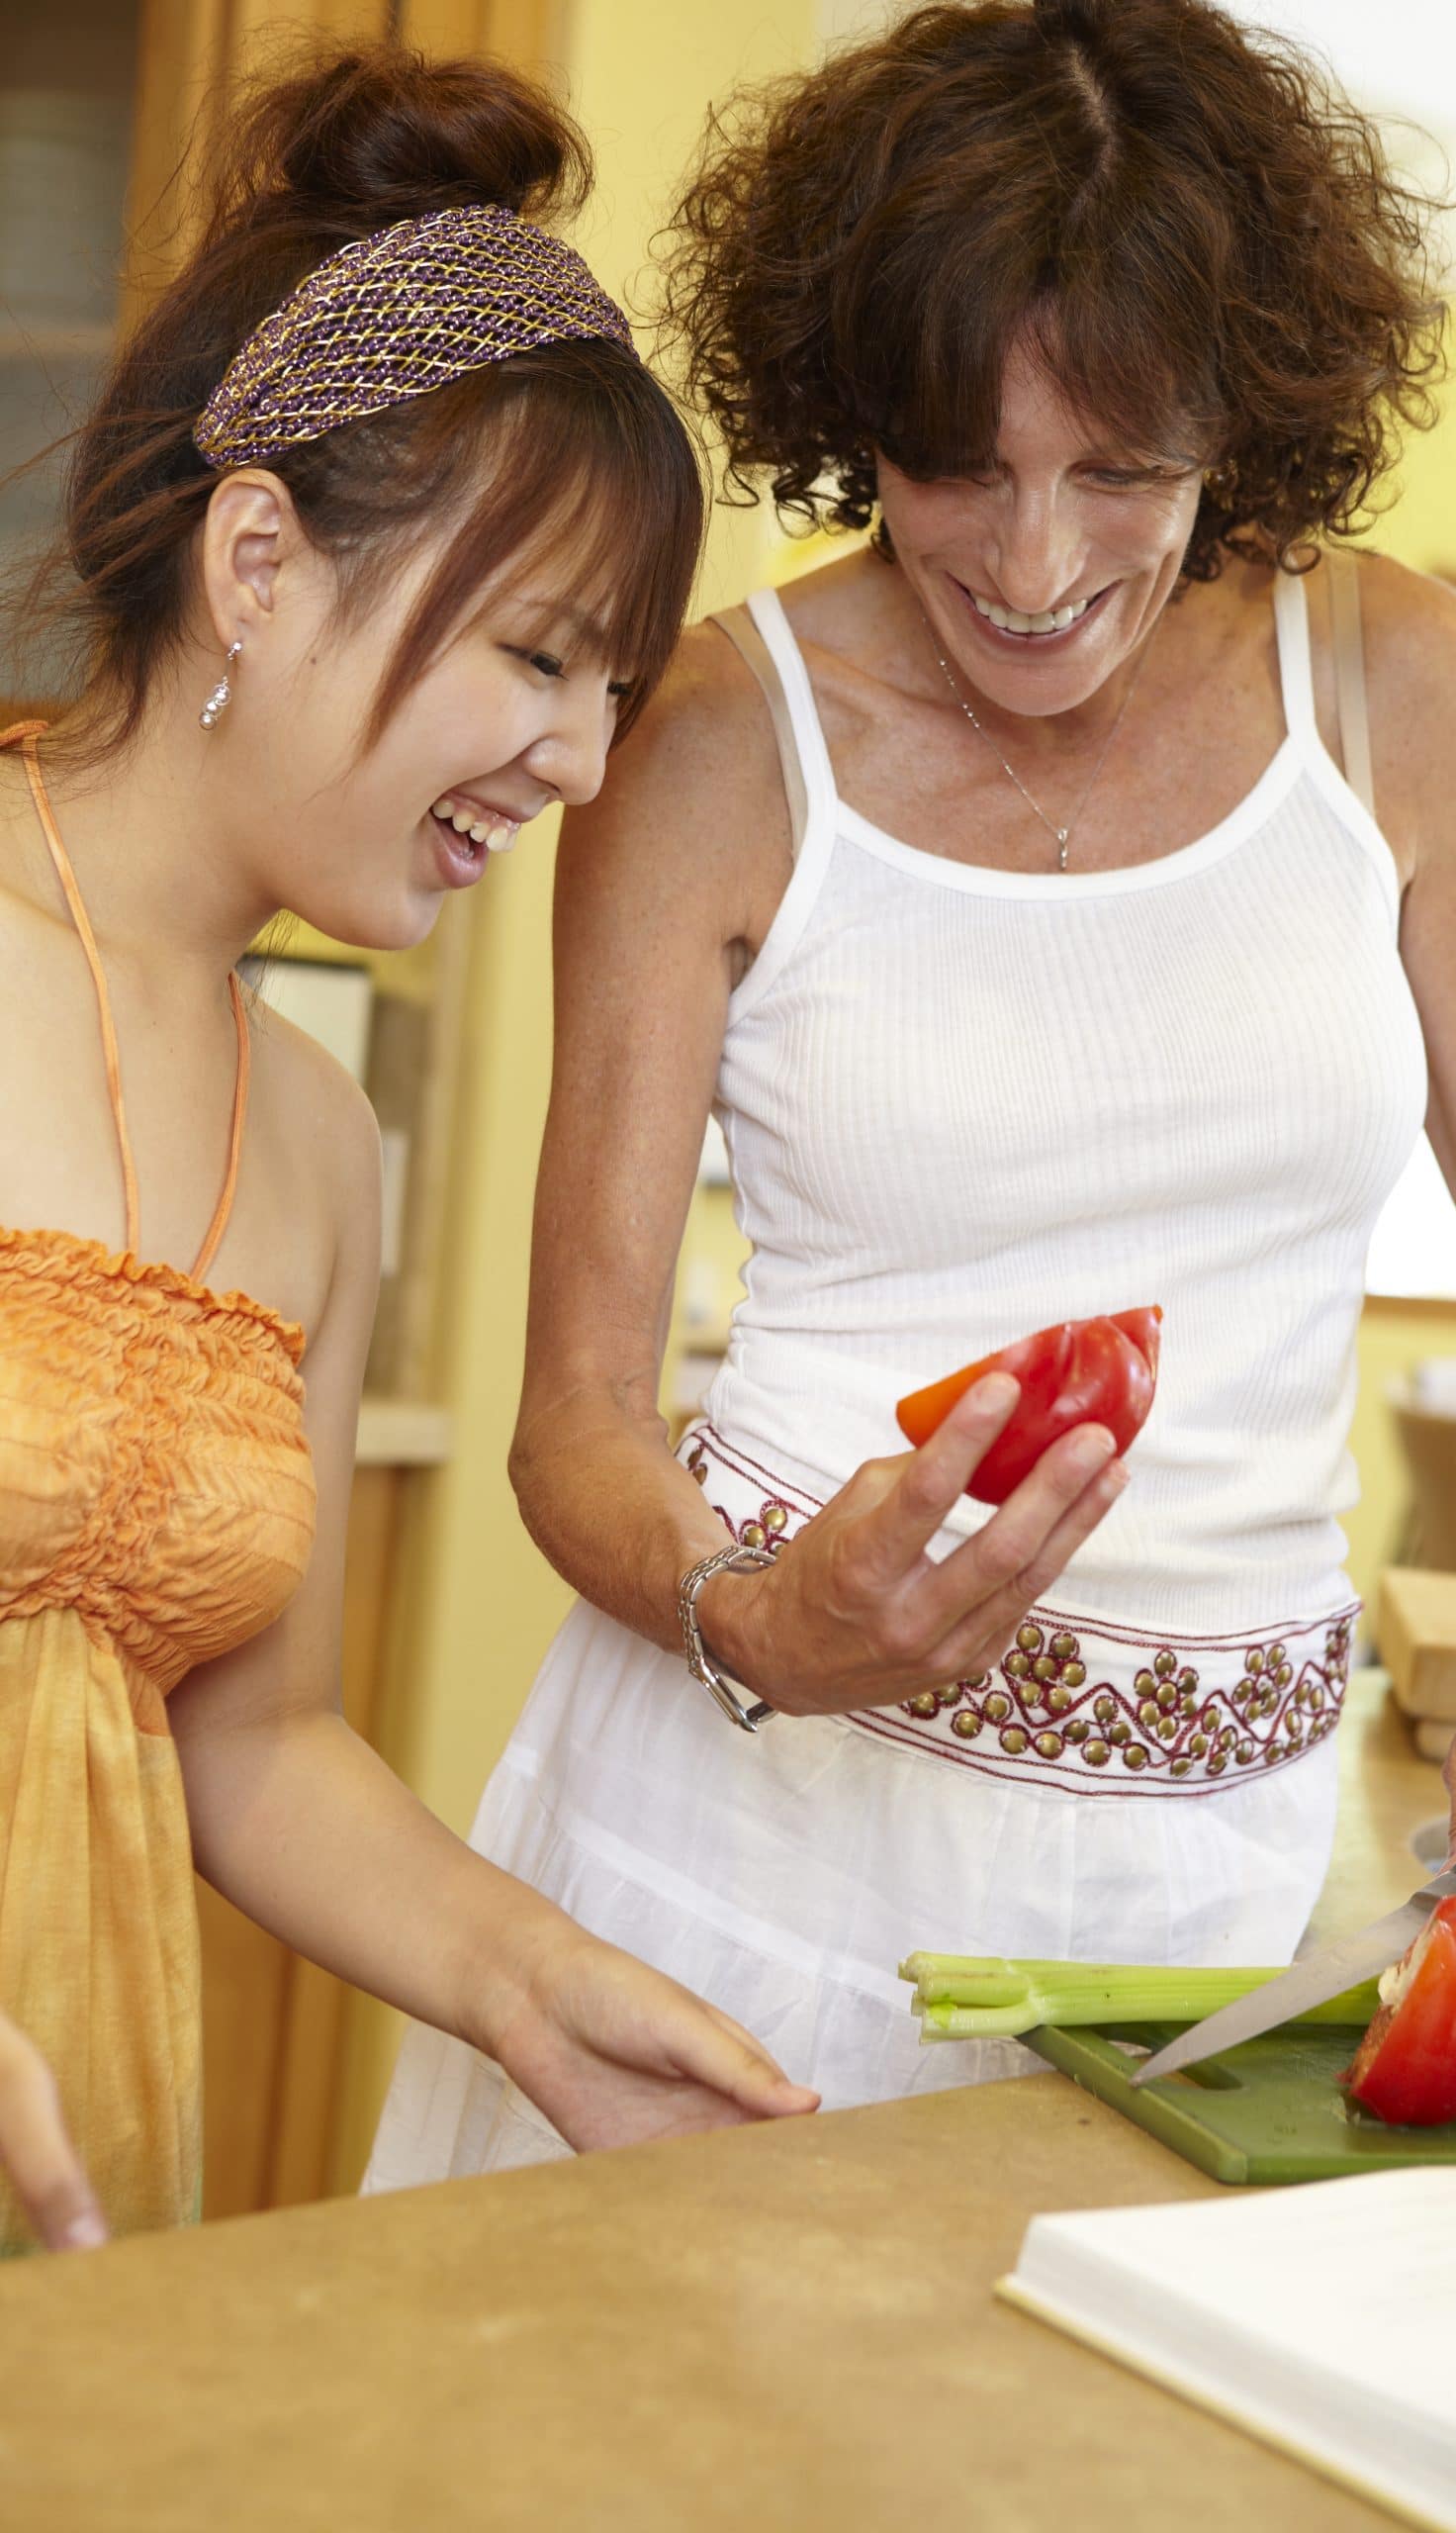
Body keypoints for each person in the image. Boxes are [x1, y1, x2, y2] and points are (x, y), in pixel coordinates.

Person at [367, 0, 1456, 2187]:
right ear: (847, 406)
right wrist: (758, 1617)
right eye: (952, 462)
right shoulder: (710, 738)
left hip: (1215, 1905)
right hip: (750, 1851)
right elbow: (574, 1421)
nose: (1037, 560)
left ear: (1241, 415)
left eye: (1122, 469)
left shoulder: (1399, 687)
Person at [0, 45, 820, 2257]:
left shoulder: (326, 1152)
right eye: (538, 654)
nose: (574, 759)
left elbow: (258, 1753)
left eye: (615, 691)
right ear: (257, 556)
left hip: (80, 2195)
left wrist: (537, 1987)